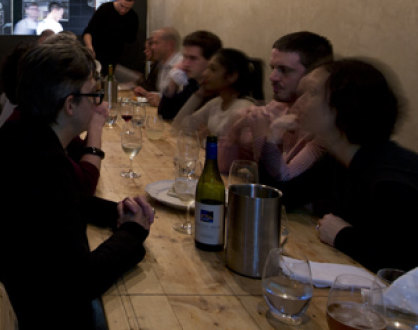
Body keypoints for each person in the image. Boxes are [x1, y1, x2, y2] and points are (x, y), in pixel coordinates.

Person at [0, 40, 155, 330]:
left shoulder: (22, 134)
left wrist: (116, 212)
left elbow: (64, 200)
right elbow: (79, 282)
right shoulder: (44, 162)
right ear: (70, 105)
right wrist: (133, 233)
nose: (98, 103)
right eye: (93, 93)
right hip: (31, 315)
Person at [298, 59, 418, 272]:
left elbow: (401, 263)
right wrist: (268, 137)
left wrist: (342, 236)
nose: (300, 102)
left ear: (343, 106)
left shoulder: (392, 178)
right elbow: (285, 193)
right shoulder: (337, 159)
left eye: (312, 93)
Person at [223, 31, 334, 207]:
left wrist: (264, 135)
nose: (272, 77)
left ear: (313, 75)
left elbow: (279, 186)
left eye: (284, 70)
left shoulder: (322, 128)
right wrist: (234, 129)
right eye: (273, 68)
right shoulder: (277, 107)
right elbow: (227, 168)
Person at [177, 48, 261, 137]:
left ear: (232, 76)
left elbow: (235, 146)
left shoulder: (244, 109)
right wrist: (197, 95)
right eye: (207, 68)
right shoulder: (216, 103)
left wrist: (209, 139)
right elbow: (179, 127)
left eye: (213, 69)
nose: (205, 74)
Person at [158, 30, 222, 121]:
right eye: (185, 57)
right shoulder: (192, 83)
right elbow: (165, 114)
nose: (186, 63)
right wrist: (173, 80)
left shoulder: (217, 90)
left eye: (193, 58)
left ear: (211, 60)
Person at [81, 0, 138, 72]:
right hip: (97, 55)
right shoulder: (104, 9)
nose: (123, 10)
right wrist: (89, 47)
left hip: (116, 60)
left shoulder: (133, 17)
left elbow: (131, 40)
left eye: (127, 8)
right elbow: (88, 32)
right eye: (122, 6)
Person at [134, 27, 181, 107]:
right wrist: (148, 94)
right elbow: (164, 94)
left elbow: (184, 101)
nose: (152, 47)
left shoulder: (181, 67)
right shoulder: (162, 65)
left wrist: (163, 103)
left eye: (156, 43)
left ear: (170, 45)